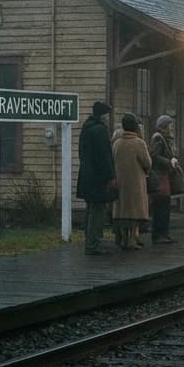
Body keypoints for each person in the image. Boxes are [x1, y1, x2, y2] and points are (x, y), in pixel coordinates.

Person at [76, 101, 116, 254]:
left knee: (91, 209)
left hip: (86, 174)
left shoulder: (86, 128)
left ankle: (90, 240)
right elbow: (105, 156)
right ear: (104, 115)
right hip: (97, 177)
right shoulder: (100, 130)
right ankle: (93, 244)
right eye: (107, 115)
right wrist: (110, 176)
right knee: (98, 210)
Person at [112, 113, 152, 250]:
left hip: (120, 181)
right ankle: (132, 240)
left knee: (122, 210)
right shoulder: (139, 143)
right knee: (134, 212)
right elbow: (147, 163)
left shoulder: (117, 143)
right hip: (136, 182)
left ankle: (123, 238)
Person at [148, 114, 182, 244]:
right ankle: (159, 234)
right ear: (164, 127)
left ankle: (163, 234)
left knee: (164, 205)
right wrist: (169, 162)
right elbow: (154, 156)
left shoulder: (165, 139)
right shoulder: (158, 138)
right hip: (159, 176)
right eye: (169, 126)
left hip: (163, 176)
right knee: (161, 206)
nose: (171, 128)